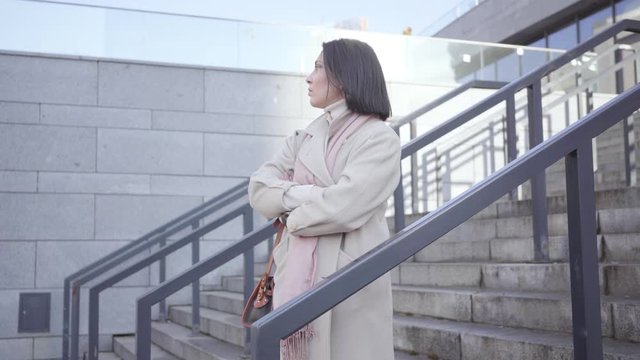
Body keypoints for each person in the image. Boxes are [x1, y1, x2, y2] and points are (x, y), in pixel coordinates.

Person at [248, 38, 400, 360]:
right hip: (299, 276)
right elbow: (259, 190)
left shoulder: (380, 138)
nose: (309, 77)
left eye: (318, 67)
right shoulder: (304, 137)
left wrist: (290, 216)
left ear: (344, 76)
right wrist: (308, 194)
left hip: (350, 279)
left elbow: (344, 207)